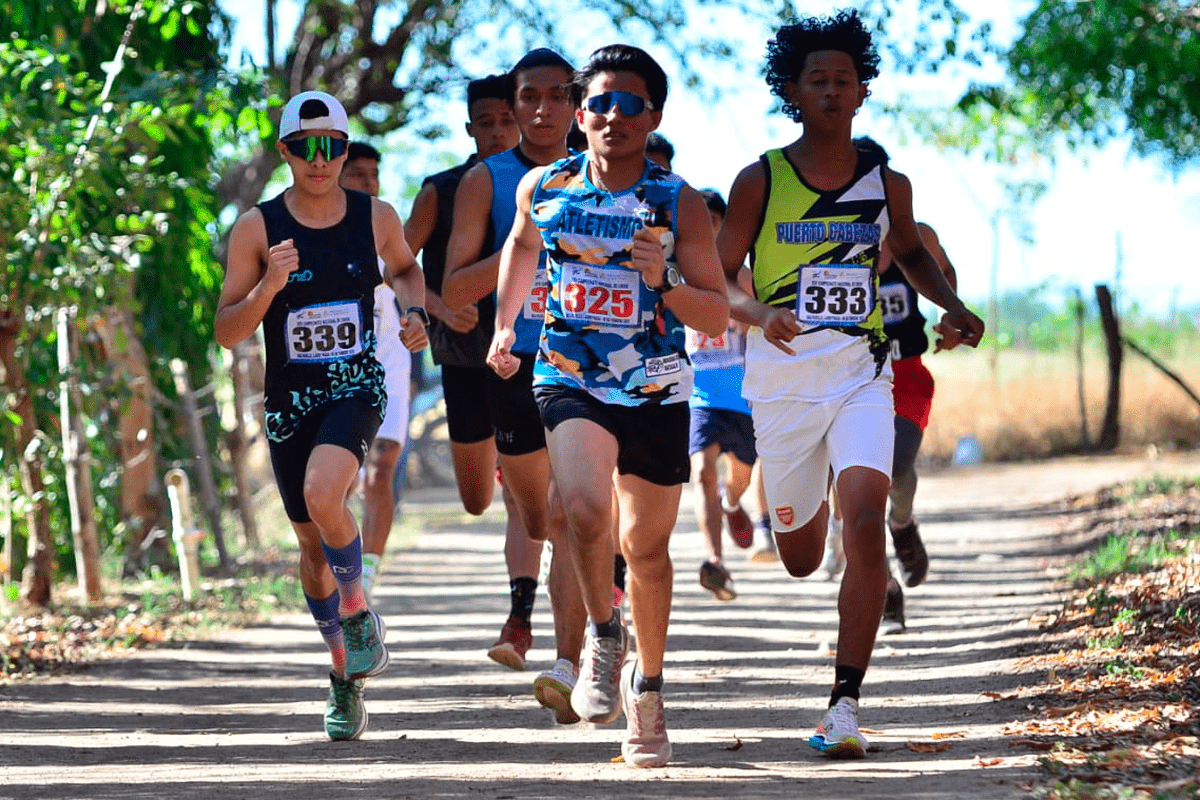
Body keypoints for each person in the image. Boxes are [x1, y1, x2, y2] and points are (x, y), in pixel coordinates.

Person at [715, 10, 984, 759]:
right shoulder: (760, 178)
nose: (832, 92)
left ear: (863, 91)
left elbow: (911, 253)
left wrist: (955, 308)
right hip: (781, 379)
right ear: (793, 92)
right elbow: (717, 274)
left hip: (862, 373)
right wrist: (759, 311)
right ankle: (816, 500)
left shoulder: (886, 180)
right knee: (802, 556)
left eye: (844, 80)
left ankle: (843, 707)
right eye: (817, 81)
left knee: (865, 519)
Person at [488, 44, 729, 768]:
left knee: (647, 550)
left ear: (653, 116)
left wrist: (666, 282)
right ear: (579, 111)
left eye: (630, 105)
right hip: (569, 374)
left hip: (655, 383)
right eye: (599, 103)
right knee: (584, 510)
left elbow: (714, 313)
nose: (612, 117)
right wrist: (506, 324)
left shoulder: (675, 198)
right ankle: (601, 636)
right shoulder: (545, 184)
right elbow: (520, 250)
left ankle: (647, 693)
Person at [215, 90, 429, 741]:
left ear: (343, 147)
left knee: (323, 491)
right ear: (284, 152)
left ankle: (359, 614)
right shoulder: (256, 228)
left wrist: (415, 313)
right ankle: (344, 676)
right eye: (305, 148)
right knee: (310, 542)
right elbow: (227, 330)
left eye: (332, 146)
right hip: (289, 402)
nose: (319, 159)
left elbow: (407, 272)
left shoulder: (376, 216)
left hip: (355, 387)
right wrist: (269, 287)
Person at [441, 48, 588, 721]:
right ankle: (555, 615)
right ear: (518, 103)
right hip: (510, 363)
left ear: (574, 102)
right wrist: (528, 243)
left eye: (558, 95)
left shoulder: (608, 168)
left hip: (588, 362)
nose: (542, 109)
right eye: (531, 96)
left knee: (568, 513)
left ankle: (570, 661)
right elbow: (454, 287)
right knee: (537, 516)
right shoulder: (487, 180)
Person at [403, 74, 518, 518]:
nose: (496, 131)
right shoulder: (442, 190)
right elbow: (393, 265)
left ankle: (529, 579)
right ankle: (505, 474)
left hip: (533, 354)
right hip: (464, 357)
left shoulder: (552, 185)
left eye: (507, 120)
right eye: (485, 122)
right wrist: (438, 306)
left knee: (533, 493)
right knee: (475, 501)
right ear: (469, 128)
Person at [338, 142, 411, 601]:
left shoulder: (386, 229)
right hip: (335, 374)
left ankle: (369, 570)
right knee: (341, 479)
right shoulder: (311, 233)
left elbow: (409, 275)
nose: (368, 182)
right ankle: (339, 566)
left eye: (373, 174)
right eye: (358, 174)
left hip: (389, 365)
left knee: (379, 471)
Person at [876, 221, 959, 629]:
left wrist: (949, 314)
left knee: (894, 468)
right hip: (853, 379)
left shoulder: (915, 235)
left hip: (906, 376)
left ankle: (902, 524)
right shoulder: (833, 237)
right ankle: (886, 589)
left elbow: (944, 270)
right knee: (859, 488)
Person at [686, 189, 760, 601]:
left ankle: (732, 504)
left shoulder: (744, 277)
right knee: (702, 473)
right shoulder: (678, 272)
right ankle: (715, 561)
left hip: (745, 396)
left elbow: (764, 325)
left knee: (740, 476)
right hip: (701, 395)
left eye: (713, 223)